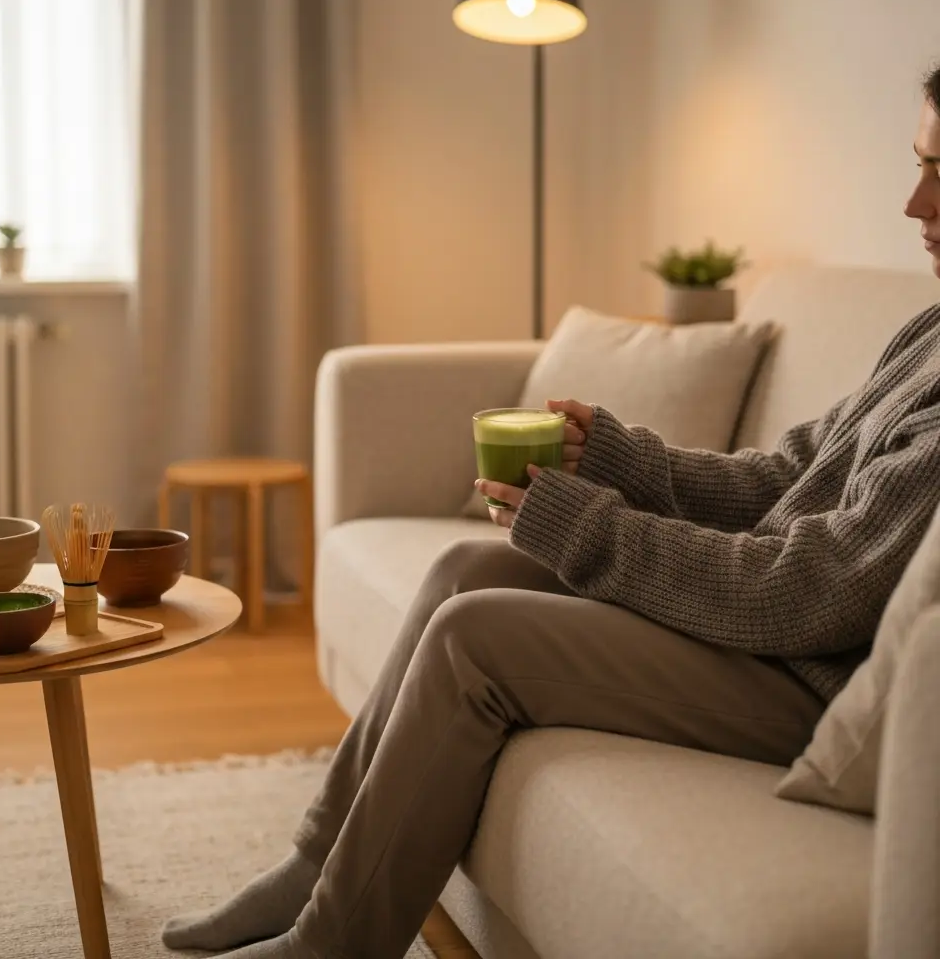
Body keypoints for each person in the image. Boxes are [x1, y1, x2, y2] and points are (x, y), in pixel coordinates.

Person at [161, 64, 940, 958]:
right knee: (464, 568)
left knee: (475, 637)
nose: (914, 203)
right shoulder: (930, 329)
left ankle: (331, 944)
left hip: (801, 677)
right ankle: (314, 863)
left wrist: (588, 526)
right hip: (768, 631)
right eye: (917, 162)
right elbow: (789, 475)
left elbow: (805, 593)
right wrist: (619, 456)